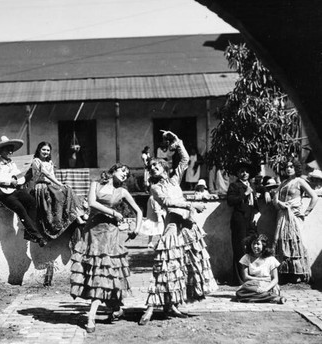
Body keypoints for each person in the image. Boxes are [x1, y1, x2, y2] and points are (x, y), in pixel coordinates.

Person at [139, 130, 217, 325]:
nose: (154, 168)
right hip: (173, 226)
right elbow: (168, 202)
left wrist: (176, 139)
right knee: (164, 265)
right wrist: (191, 204)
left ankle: (171, 305)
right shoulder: (155, 188)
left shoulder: (174, 180)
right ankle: (150, 308)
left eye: (157, 165)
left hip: (188, 227)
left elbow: (184, 160)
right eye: (151, 166)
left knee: (182, 267)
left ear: (165, 168)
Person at [70, 163, 142, 333]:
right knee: (95, 272)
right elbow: (92, 203)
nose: (125, 174)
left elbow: (138, 211)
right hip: (92, 232)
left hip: (110, 235)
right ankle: (116, 307)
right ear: (113, 170)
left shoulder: (122, 192)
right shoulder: (96, 183)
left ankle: (91, 317)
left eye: (128, 173)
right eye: (123, 171)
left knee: (105, 272)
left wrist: (136, 230)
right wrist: (113, 213)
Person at [0, 136, 47, 247]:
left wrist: (18, 179)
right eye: (7, 149)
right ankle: (37, 236)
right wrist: (9, 181)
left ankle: (29, 233)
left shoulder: (12, 164)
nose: (10, 152)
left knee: (32, 201)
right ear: (1, 151)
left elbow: (20, 177)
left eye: (11, 149)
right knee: (20, 209)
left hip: (12, 191)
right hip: (1, 194)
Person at [273, 158, 318, 283]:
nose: (288, 169)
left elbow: (314, 197)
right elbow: (275, 198)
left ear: (296, 168)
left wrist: (306, 212)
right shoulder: (283, 183)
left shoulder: (300, 181)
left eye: (291, 166)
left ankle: (299, 273)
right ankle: (285, 273)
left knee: (295, 242)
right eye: (287, 167)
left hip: (294, 216)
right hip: (282, 215)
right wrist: (280, 203)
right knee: (283, 242)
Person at [30, 141, 85, 241]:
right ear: (39, 150)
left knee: (67, 189)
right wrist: (60, 184)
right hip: (41, 187)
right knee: (62, 190)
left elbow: (53, 176)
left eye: (48, 150)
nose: (46, 152)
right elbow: (47, 175)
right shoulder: (36, 161)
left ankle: (77, 214)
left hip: (50, 186)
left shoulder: (50, 162)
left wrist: (60, 185)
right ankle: (76, 215)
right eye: (43, 150)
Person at [226, 161, 259, 285]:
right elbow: (230, 201)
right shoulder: (234, 186)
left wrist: (267, 191)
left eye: (246, 171)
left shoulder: (252, 185)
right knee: (240, 248)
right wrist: (244, 194)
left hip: (251, 220)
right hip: (239, 220)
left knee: (253, 247)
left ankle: (251, 276)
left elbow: (255, 200)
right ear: (238, 174)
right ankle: (239, 279)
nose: (244, 173)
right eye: (241, 171)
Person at [236, 234, 286, 304]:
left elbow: (275, 279)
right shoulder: (247, 257)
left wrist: (265, 289)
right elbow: (245, 277)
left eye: (258, 244)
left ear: (263, 245)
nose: (255, 246)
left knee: (242, 292)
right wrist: (263, 279)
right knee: (239, 293)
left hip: (267, 284)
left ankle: (263, 296)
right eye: (253, 244)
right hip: (252, 284)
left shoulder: (271, 259)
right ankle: (273, 298)